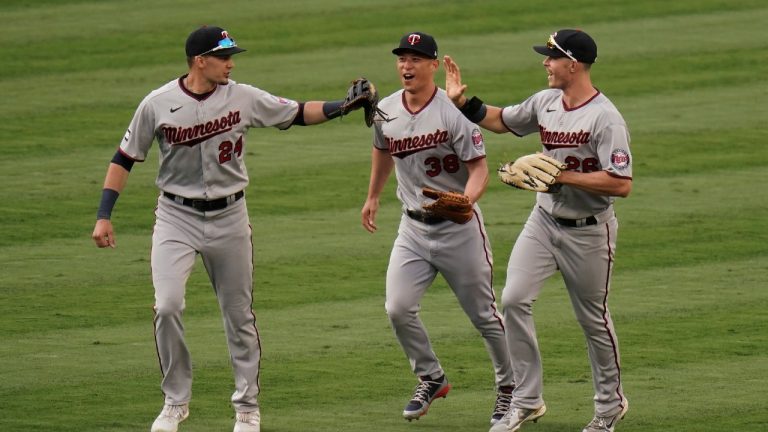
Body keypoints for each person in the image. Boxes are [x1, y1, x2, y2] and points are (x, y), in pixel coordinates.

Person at [91, 25, 370, 432]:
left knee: (238, 315)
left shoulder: (243, 96)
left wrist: (339, 107)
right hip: (176, 217)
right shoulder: (157, 103)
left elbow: (294, 112)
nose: (231, 63)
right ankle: (175, 402)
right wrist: (103, 214)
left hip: (230, 217)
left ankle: (247, 409)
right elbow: (124, 157)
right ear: (200, 60)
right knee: (167, 306)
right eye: (223, 57)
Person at [443, 29, 632, 432]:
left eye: (552, 58)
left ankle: (609, 408)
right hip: (544, 221)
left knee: (592, 320)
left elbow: (621, 183)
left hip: (590, 231)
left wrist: (564, 176)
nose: (545, 63)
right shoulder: (545, 102)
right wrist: (462, 102)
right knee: (512, 299)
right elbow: (499, 121)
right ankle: (527, 400)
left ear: (573, 65)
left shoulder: (605, 118)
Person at [360, 31, 515, 426]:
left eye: (415, 59)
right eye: (401, 58)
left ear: (433, 65)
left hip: (458, 228)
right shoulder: (386, 109)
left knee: (484, 315)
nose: (406, 66)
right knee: (397, 308)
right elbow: (382, 149)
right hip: (412, 229)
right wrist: (373, 195)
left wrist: (467, 200)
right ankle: (431, 378)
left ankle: (510, 387)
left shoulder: (452, 111)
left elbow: (480, 167)